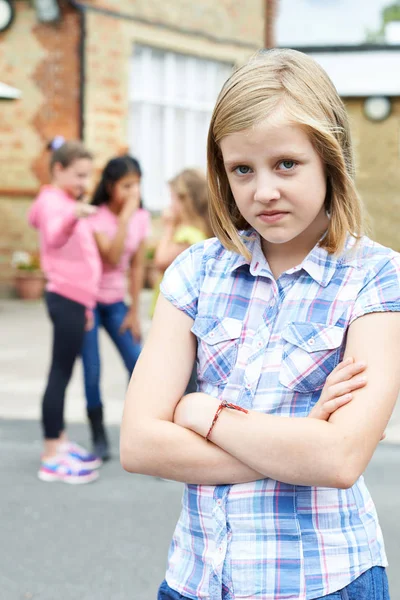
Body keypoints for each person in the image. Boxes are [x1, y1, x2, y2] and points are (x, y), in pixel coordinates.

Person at [121, 49, 400, 599]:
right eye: (242, 169)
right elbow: (139, 444)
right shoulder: (195, 272)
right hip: (196, 580)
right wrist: (297, 448)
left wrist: (204, 412)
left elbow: (340, 458)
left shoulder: (376, 277)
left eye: (286, 165)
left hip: (323, 580)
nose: (263, 191)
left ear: (330, 158)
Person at [28, 137, 102, 485]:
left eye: (88, 176)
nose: (84, 184)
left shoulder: (59, 200)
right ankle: (50, 454)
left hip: (76, 300)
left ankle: (58, 440)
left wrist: (87, 304)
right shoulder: (53, 203)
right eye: (78, 175)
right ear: (58, 169)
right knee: (59, 372)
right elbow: (55, 236)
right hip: (65, 297)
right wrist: (73, 215)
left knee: (64, 372)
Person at [81, 155, 150, 460]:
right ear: (110, 187)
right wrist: (124, 219)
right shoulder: (94, 217)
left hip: (116, 303)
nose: (134, 192)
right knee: (92, 369)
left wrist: (135, 311)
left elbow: (137, 266)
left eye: (137, 185)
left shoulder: (142, 217)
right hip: (87, 303)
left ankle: (135, 432)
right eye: (126, 186)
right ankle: (98, 438)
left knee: (139, 364)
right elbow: (111, 257)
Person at [151, 168, 213, 393]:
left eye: (172, 199)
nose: (169, 206)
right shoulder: (200, 231)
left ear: (184, 200)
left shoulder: (187, 234)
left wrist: (167, 227)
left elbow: (160, 260)